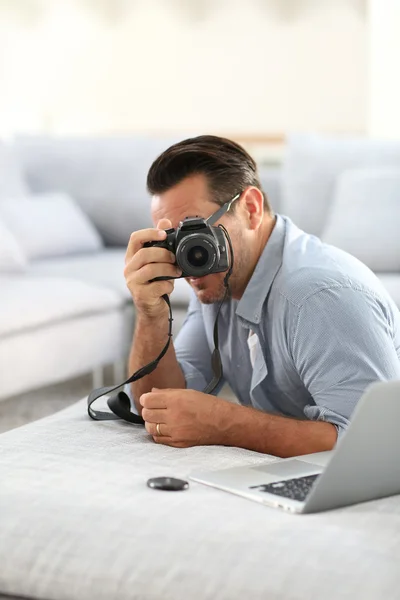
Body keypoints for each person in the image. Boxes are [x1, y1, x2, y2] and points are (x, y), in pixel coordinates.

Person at [123, 135, 400, 457]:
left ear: (251, 209)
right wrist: (150, 313)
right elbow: (162, 404)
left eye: (196, 231)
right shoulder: (216, 274)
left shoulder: (320, 297)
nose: (188, 256)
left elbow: (376, 445)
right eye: (175, 238)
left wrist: (225, 422)